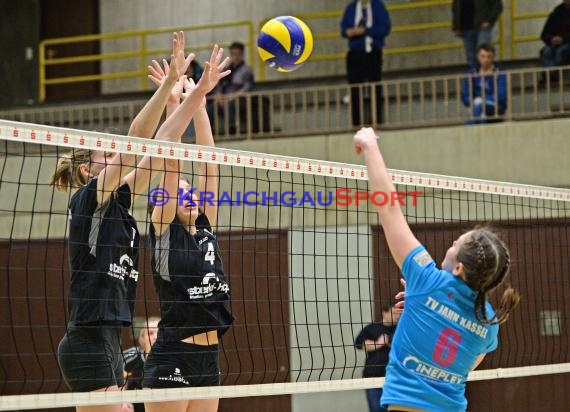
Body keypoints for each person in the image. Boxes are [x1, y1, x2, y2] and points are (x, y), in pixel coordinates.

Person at [51, 32, 194, 412]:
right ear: (87, 169)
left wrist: (177, 102)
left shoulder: (120, 201)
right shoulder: (88, 199)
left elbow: (157, 152)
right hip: (87, 338)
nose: (115, 153)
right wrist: (164, 86)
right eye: (106, 152)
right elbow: (136, 140)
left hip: (111, 338)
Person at [353, 127, 520, 412]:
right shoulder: (487, 319)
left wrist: (370, 145)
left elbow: (389, 209)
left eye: (456, 243)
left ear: (458, 268)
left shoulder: (425, 279)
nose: (452, 243)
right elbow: (465, 366)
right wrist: (421, 310)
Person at [142, 45, 233, 412]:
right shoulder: (163, 228)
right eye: (181, 194)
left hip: (208, 359)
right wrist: (177, 104)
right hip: (173, 356)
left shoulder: (205, 227)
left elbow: (209, 165)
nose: (190, 195)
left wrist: (201, 105)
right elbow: (172, 161)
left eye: (190, 193)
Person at [341, 0, 391, 126]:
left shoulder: (378, 7)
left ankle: (377, 121)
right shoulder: (351, 8)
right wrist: (350, 32)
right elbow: (343, 29)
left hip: (373, 51)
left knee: (375, 87)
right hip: (356, 52)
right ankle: (356, 123)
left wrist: (365, 31)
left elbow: (385, 28)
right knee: (355, 89)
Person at [355, 304, 400, 412]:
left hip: (394, 378)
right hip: (373, 377)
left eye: (399, 314)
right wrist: (378, 344)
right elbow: (359, 344)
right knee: (376, 409)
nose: (397, 317)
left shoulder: (401, 328)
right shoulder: (372, 328)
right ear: (385, 313)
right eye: (394, 313)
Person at [210, 41, 254, 134]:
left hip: (240, 98)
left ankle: (233, 128)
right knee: (211, 107)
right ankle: (211, 131)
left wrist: (232, 97)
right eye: (234, 54)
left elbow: (247, 87)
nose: (236, 57)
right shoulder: (227, 69)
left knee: (230, 105)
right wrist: (219, 96)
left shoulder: (247, 70)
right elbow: (220, 85)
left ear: (242, 55)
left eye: (238, 54)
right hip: (225, 98)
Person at [461, 44, 507, 123]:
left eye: (489, 56)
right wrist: (474, 101)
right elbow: (465, 95)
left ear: (493, 57)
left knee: (477, 111)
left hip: (495, 108)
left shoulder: (500, 73)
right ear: (478, 57)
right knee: (475, 113)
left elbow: (501, 96)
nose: (486, 60)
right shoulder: (472, 73)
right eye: (483, 56)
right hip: (475, 105)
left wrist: (482, 100)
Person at [122, 317, 160, 412]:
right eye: (150, 333)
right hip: (137, 404)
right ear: (142, 338)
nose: (155, 337)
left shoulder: (174, 358)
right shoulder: (130, 356)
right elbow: (120, 379)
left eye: (159, 333)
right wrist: (123, 400)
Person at [452, 0, 503, 69]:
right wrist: (456, 26)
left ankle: (488, 77)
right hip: (466, 28)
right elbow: (455, 7)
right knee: (471, 58)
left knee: (484, 54)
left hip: (482, 27)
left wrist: (490, 21)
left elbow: (497, 5)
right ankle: (474, 78)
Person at [540, 0, 570, 81]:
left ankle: (552, 77)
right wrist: (551, 39)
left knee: (561, 51)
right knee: (546, 51)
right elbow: (544, 34)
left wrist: (563, 39)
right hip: (556, 43)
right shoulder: (557, 12)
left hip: (567, 43)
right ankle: (551, 77)